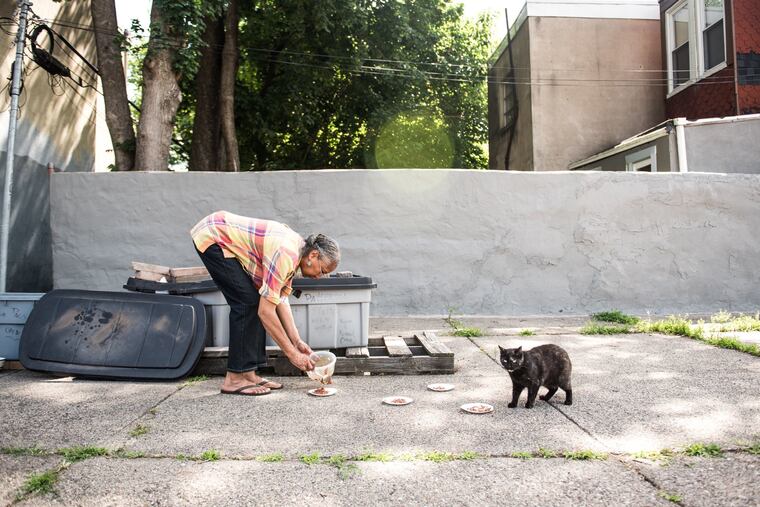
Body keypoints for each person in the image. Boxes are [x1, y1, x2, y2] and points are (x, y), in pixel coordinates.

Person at [191, 210, 340, 396]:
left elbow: (279, 299)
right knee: (246, 302)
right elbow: (266, 312)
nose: (320, 276)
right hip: (213, 235)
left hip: (221, 234)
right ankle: (234, 378)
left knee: (256, 299)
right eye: (322, 270)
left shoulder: (296, 254)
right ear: (313, 255)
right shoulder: (286, 253)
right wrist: (292, 354)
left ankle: (248, 374)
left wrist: (296, 341)